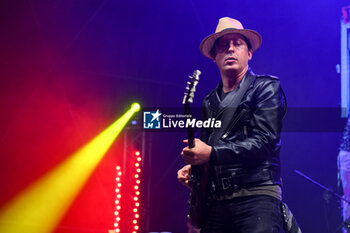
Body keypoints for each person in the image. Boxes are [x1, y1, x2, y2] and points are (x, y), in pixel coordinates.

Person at [177, 17, 286, 233]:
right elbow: (210, 148)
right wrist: (196, 168)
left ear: (249, 53)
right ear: (214, 57)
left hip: (257, 197)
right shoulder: (210, 101)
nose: (230, 49)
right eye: (224, 46)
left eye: (237, 44)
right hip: (217, 203)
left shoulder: (265, 88)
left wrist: (212, 153)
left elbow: (265, 142)